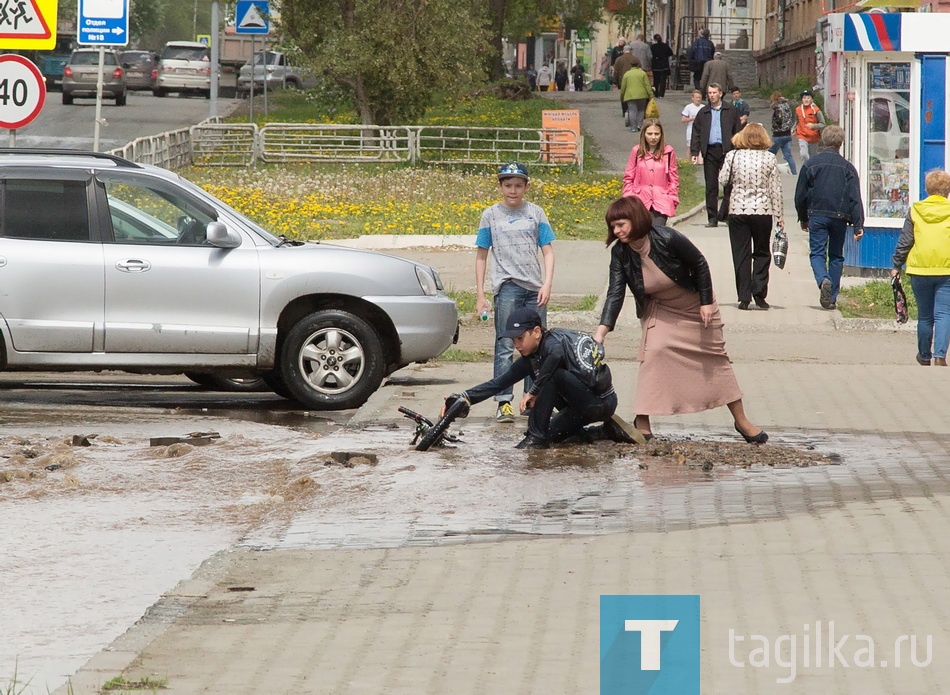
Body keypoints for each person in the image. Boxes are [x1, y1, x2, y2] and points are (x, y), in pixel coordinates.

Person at [593, 196, 768, 444]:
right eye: (613, 226)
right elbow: (615, 292)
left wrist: (706, 301)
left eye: (621, 224)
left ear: (636, 219)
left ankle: (742, 422)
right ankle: (641, 422)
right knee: (652, 353)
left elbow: (699, 264)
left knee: (716, 360)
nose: (616, 231)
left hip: (695, 307)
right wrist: (602, 331)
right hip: (661, 309)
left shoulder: (667, 237)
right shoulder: (621, 253)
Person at [442, 307, 639, 449]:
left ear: (536, 332)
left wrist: (533, 390)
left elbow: (556, 357)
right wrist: (464, 397)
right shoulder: (530, 358)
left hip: (600, 402)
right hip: (578, 410)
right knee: (550, 436)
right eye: (513, 340)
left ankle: (535, 438)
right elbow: (498, 383)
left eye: (520, 338)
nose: (516, 345)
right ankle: (605, 432)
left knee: (551, 382)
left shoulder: (553, 343)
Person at [475, 162, 556, 423]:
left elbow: (548, 251)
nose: (513, 190)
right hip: (507, 287)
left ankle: (533, 398)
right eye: (508, 185)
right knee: (506, 344)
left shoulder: (536, 213)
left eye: (518, 186)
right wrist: (480, 294)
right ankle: (503, 401)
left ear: (526, 187)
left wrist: (547, 283)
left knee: (536, 345)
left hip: (534, 289)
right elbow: (481, 255)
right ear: (500, 187)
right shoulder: (490, 215)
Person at [794, 125, 864, 310]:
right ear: (840, 143)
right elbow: (854, 197)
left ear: (823, 141)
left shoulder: (811, 164)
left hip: (816, 215)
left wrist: (803, 217)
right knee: (836, 255)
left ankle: (823, 279)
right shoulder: (848, 168)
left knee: (817, 253)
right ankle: (831, 297)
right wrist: (858, 225)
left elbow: (800, 194)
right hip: (840, 217)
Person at [718, 123, 784, 310]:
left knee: (741, 253)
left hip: (738, 211)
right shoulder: (770, 158)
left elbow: (722, 180)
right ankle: (760, 293)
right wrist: (779, 214)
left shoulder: (733, 156)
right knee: (762, 252)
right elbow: (776, 190)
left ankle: (743, 296)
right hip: (762, 212)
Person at [890, 169, 950, 367]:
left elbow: (906, 241)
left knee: (925, 315)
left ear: (927, 189)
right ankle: (940, 356)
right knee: (943, 314)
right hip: (946, 269)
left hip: (920, 269)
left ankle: (924, 356)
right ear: (947, 190)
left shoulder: (915, 210)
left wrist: (896, 265)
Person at [690, 83, 740, 227]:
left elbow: (737, 130)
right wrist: (695, 151)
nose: (711, 95)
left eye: (714, 92)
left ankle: (726, 214)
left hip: (727, 151)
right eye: (709, 93)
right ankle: (712, 218)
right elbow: (696, 132)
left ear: (721, 94)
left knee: (729, 185)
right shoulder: (704, 112)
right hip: (710, 151)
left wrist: (738, 148)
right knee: (711, 185)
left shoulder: (730, 110)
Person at [622, 118, 679, 226]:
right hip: (640, 201)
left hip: (661, 201)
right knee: (642, 236)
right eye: (650, 133)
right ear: (644, 134)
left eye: (657, 134)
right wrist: (629, 196)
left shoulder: (668, 151)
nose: (653, 137)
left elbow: (673, 178)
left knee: (657, 234)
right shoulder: (636, 151)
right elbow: (628, 177)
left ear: (661, 135)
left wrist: (671, 197)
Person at [619, 57, 653, 133]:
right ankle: (639, 125)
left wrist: (622, 96)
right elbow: (647, 85)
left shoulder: (627, 74)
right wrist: (650, 95)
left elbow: (623, 87)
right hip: (642, 95)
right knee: (641, 110)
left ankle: (633, 127)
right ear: (638, 65)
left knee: (632, 110)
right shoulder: (642, 73)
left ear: (631, 65)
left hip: (630, 95)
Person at [767, 91, 797, 175]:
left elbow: (779, 120)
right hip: (788, 134)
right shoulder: (787, 106)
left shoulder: (778, 108)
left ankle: (767, 171)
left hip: (778, 135)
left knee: (770, 154)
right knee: (788, 155)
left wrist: (775, 126)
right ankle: (794, 172)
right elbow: (792, 118)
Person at [795, 90, 825, 165]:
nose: (806, 100)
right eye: (804, 98)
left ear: (811, 99)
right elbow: (797, 121)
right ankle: (805, 170)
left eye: (808, 98)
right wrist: (793, 128)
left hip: (813, 137)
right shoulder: (798, 109)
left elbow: (823, 124)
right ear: (802, 99)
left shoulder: (816, 110)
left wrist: (813, 126)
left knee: (813, 158)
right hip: (802, 135)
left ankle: (812, 171)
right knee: (804, 154)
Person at [612, 45, 636, 119]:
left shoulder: (619, 59)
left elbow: (616, 71)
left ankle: (625, 110)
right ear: (631, 51)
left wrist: (614, 81)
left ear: (623, 51)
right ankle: (633, 110)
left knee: (624, 95)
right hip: (634, 80)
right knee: (633, 95)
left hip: (622, 80)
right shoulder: (635, 59)